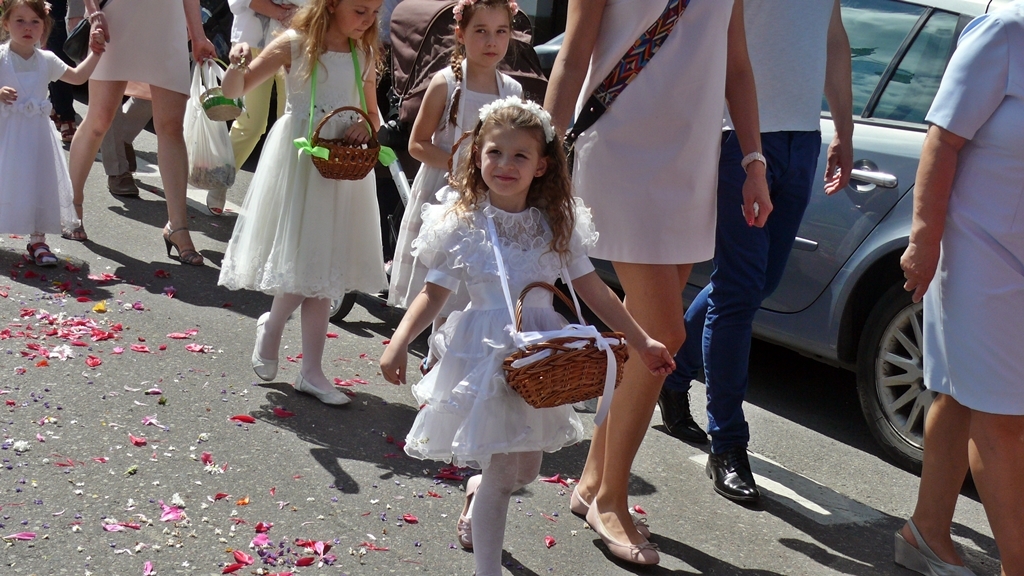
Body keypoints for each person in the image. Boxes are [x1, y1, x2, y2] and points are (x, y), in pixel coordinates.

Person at [379, 96, 676, 574]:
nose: (505, 164)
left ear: (541, 166)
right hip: (485, 354)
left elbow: (593, 289)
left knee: (525, 469)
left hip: (539, 358)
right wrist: (398, 343)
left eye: (520, 155)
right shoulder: (462, 222)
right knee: (502, 473)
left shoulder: (554, 223)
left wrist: (642, 341)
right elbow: (433, 294)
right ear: (478, 156)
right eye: (495, 152)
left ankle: (475, 491)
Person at [543, 0, 767, 565]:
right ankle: (611, 499)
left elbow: (737, 64)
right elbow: (573, 55)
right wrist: (540, 155)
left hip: (692, 160)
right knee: (664, 331)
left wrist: (754, 160)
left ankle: (593, 480)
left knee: (639, 326)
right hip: (619, 150)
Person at [659, 0, 853, 503]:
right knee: (741, 289)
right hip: (740, 138)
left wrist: (844, 127)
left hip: (802, 138)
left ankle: (672, 373)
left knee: (754, 283)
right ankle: (727, 443)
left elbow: (833, 38)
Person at [897, 4, 1024, 575]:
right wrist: (924, 239)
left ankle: (925, 531)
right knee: (1004, 418)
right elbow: (942, 140)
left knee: (961, 396)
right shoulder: (1005, 30)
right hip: (977, 253)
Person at [217, 0, 388, 405]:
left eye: (374, 12)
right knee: (307, 256)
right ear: (332, 4)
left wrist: (365, 124)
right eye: (360, 10)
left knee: (324, 264)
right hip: (302, 160)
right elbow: (234, 91)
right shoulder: (294, 43)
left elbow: (373, 112)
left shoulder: (362, 51)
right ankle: (275, 328)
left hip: (341, 166)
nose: (368, 20)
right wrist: (237, 62)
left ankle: (310, 369)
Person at [387, 0, 522, 369]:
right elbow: (417, 144)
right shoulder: (445, 83)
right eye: (481, 31)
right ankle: (435, 359)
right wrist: (460, 165)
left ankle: (449, 359)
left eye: (501, 32)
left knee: (472, 286)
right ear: (461, 34)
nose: (491, 41)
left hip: (489, 199)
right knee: (443, 280)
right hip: (446, 192)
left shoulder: (511, 89)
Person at [66, 0, 217, 265]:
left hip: (167, 24)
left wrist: (198, 35)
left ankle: (178, 226)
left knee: (171, 127)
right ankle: (72, 204)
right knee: (99, 120)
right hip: (117, 17)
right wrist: (94, 13)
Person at [0, 0, 103, 266]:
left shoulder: (46, 59)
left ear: (44, 26)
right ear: (6, 23)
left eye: (35, 22)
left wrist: (95, 53)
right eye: (20, 21)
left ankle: (38, 239)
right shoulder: (1, 57)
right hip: (5, 133)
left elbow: (77, 77)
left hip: (36, 137)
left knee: (38, 183)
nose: (28, 27)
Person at [205, 0, 297, 215]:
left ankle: (281, 198)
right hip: (253, 43)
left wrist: (303, 15)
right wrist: (279, 13)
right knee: (251, 123)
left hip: (299, 42)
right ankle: (220, 180)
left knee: (293, 125)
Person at [65, 0, 150, 198]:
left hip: (149, 19)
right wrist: (85, 14)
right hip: (103, 14)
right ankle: (117, 170)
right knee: (106, 103)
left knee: (154, 92)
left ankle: (122, 138)